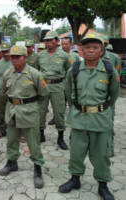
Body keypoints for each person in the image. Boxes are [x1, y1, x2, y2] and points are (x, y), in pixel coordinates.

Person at [59, 33, 120, 200]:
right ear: (82, 50)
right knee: (76, 153)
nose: (91, 51)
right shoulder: (75, 69)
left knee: (101, 155)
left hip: (100, 119)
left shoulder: (108, 69)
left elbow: (113, 95)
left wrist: (101, 108)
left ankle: (103, 184)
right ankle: (75, 179)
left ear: (101, 50)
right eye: (87, 48)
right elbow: (68, 91)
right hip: (79, 118)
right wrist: (78, 108)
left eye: (95, 47)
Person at [0, 45, 47, 189]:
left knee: (33, 143)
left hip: (29, 112)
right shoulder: (8, 73)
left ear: (25, 58)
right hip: (12, 111)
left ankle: (37, 168)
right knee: (11, 140)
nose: (14, 60)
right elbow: (3, 91)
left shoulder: (35, 74)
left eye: (17, 57)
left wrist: (33, 108)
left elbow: (43, 94)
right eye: (12, 57)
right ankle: (12, 163)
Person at [36, 31, 71, 150]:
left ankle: (60, 138)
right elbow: (36, 71)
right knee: (41, 111)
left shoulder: (64, 55)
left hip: (58, 87)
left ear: (56, 41)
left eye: (51, 40)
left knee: (59, 112)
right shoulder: (40, 55)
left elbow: (68, 71)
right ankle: (41, 134)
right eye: (46, 40)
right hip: (43, 87)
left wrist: (64, 85)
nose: (48, 42)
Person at [0, 43, 12, 139]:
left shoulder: (14, 62)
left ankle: (18, 132)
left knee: (15, 112)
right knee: (2, 113)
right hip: (2, 92)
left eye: (7, 51)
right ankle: (2, 130)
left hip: (13, 92)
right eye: (3, 51)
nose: (5, 54)